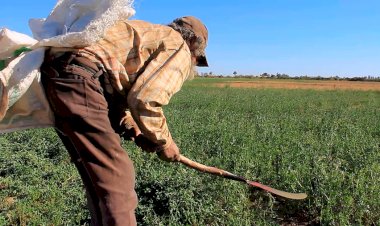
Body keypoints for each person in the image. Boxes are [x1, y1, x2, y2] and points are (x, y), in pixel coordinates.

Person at [40, 16, 208, 225]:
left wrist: (135, 130)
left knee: (99, 180)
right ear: (194, 45)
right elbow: (145, 99)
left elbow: (109, 86)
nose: (193, 63)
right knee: (118, 177)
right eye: (196, 58)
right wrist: (166, 142)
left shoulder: (147, 33)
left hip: (60, 77)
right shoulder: (178, 46)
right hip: (80, 80)